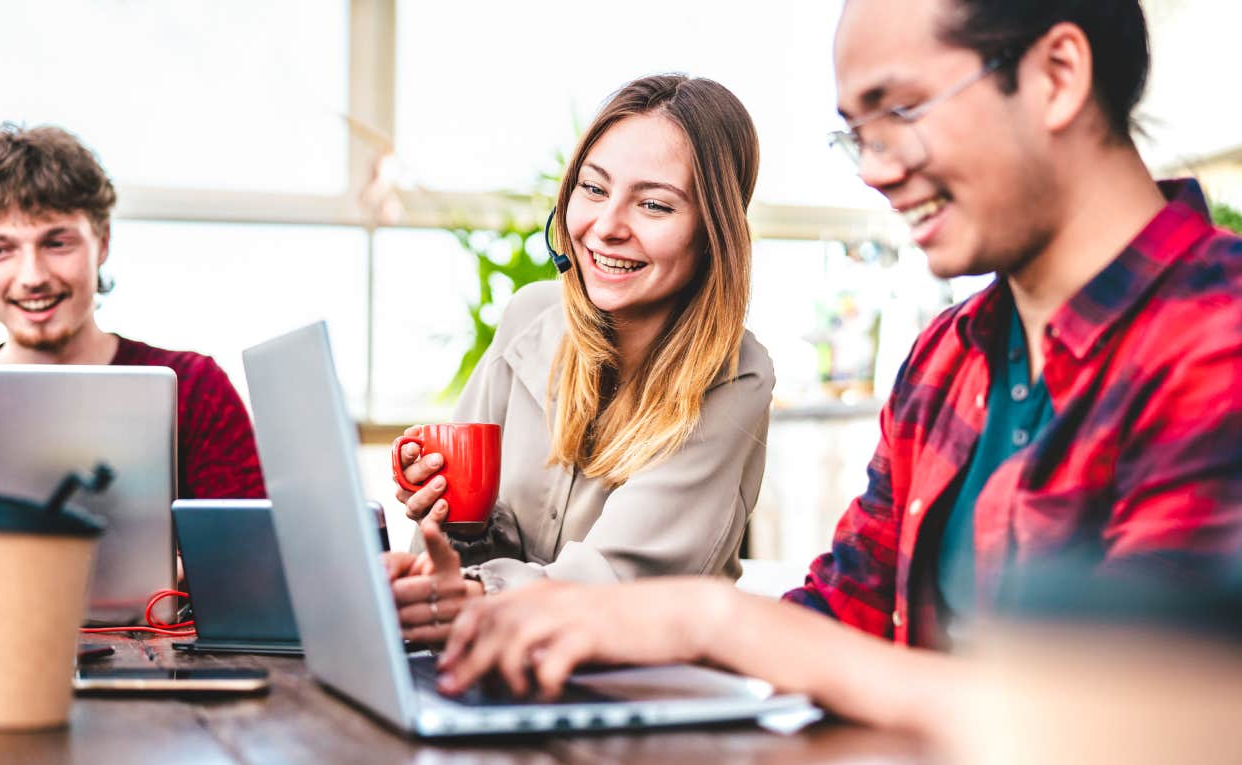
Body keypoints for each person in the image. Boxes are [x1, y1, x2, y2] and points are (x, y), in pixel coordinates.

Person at [433, 0, 1242, 732]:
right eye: (858, 133)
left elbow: (1129, 716)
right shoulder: (947, 359)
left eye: (903, 112)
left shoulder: (1218, 337)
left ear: (1057, 78)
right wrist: (608, 623)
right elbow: (841, 616)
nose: (878, 170)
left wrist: (710, 619)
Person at [384, 74, 775, 644]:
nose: (607, 227)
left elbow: (618, 584)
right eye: (593, 190)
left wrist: (472, 595)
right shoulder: (529, 322)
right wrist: (451, 521)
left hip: (639, 692)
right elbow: (443, 558)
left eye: (654, 205)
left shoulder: (734, 374)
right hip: (494, 666)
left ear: (713, 234)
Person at [0, 123, 266, 500]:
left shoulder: (192, 390)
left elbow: (249, 556)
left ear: (103, 241)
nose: (32, 277)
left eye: (57, 243)